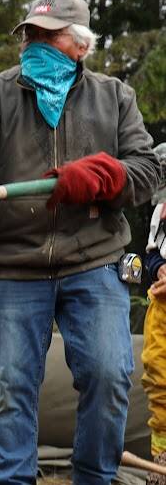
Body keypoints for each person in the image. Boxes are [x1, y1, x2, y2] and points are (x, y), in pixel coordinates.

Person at [0, 0, 160, 483]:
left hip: (94, 259)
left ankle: (94, 477)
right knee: (12, 387)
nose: (32, 44)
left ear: (80, 46)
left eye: (46, 36)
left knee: (109, 375)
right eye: (28, 34)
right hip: (15, 264)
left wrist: (104, 177)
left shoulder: (115, 97)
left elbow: (146, 173)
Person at [142, 144, 166, 480]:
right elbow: (151, 254)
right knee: (157, 373)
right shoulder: (158, 214)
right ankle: (161, 457)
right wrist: (159, 269)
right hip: (160, 305)